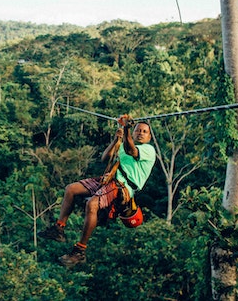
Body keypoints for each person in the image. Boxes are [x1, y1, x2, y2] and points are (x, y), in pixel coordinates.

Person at [38, 114, 155, 268]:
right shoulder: (124, 146)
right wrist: (116, 140)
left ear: (149, 137)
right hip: (108, 179)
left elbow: (132, 150)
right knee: (71, 189)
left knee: (92, 205)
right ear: (133, 133)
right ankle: (59, 228)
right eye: (137, 130)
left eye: (144, 131)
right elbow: (105, 158)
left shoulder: (148, 150)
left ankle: (80, 250)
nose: (140, 133)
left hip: (122, 187)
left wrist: (126, 128)